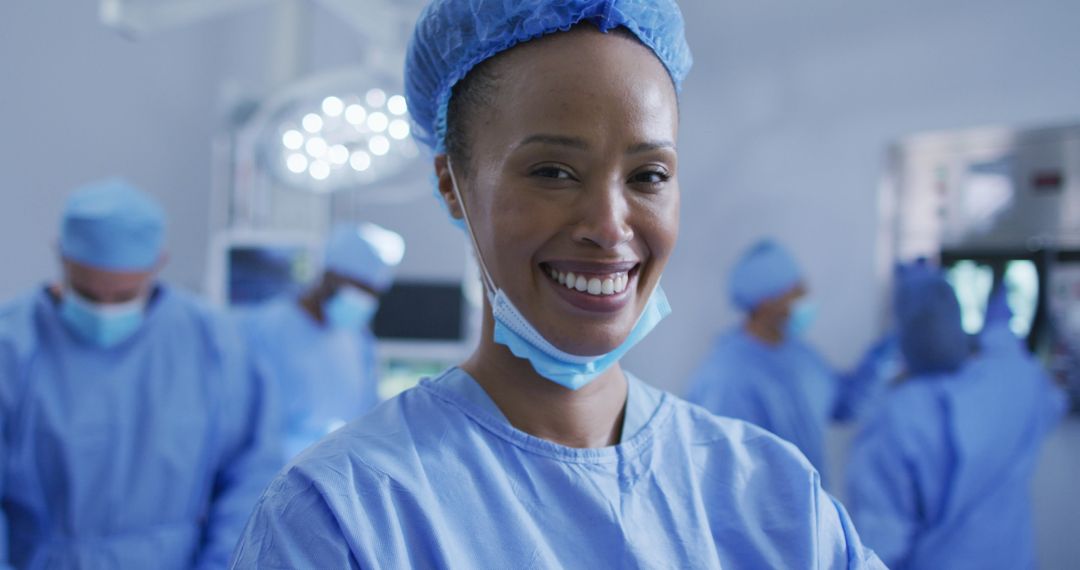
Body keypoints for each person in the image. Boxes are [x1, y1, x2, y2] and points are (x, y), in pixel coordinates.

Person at [230, 1, 884, 567]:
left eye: (649, 175)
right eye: (552, 171)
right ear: (451, 186)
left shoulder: (768, 491)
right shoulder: (345, 517)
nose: (608, 225)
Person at [0, 179, 280, 569]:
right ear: (61, 255)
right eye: (88, 293)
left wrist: (223, 562)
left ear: (158, 263)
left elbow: (250, 473)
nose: (105, 309)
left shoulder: (215, 344)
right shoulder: (12, 344)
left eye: (123, 296)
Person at [845, 262, 1065, 569]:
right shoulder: (1016, 379)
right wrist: (1002, 337)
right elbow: (1054, 403)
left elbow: (881, 539)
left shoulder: (896, 416)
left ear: (903, 330)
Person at [684, 239, 896, 481]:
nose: (806, 296)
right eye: (795, 290)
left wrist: (886, 354)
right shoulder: (726, 375)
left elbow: (844, 404)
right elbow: (722, 469)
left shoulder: (802, 356)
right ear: (766, 302)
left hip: (809, 507)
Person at [239, 222, 404, 460]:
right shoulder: (264, 330)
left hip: (333, 476)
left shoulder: (358, 343)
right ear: (330, 276)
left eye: (373, 293)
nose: (366, 301)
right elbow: (246, 421)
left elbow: (368, 415)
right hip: (266, 478)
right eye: (360, 288)